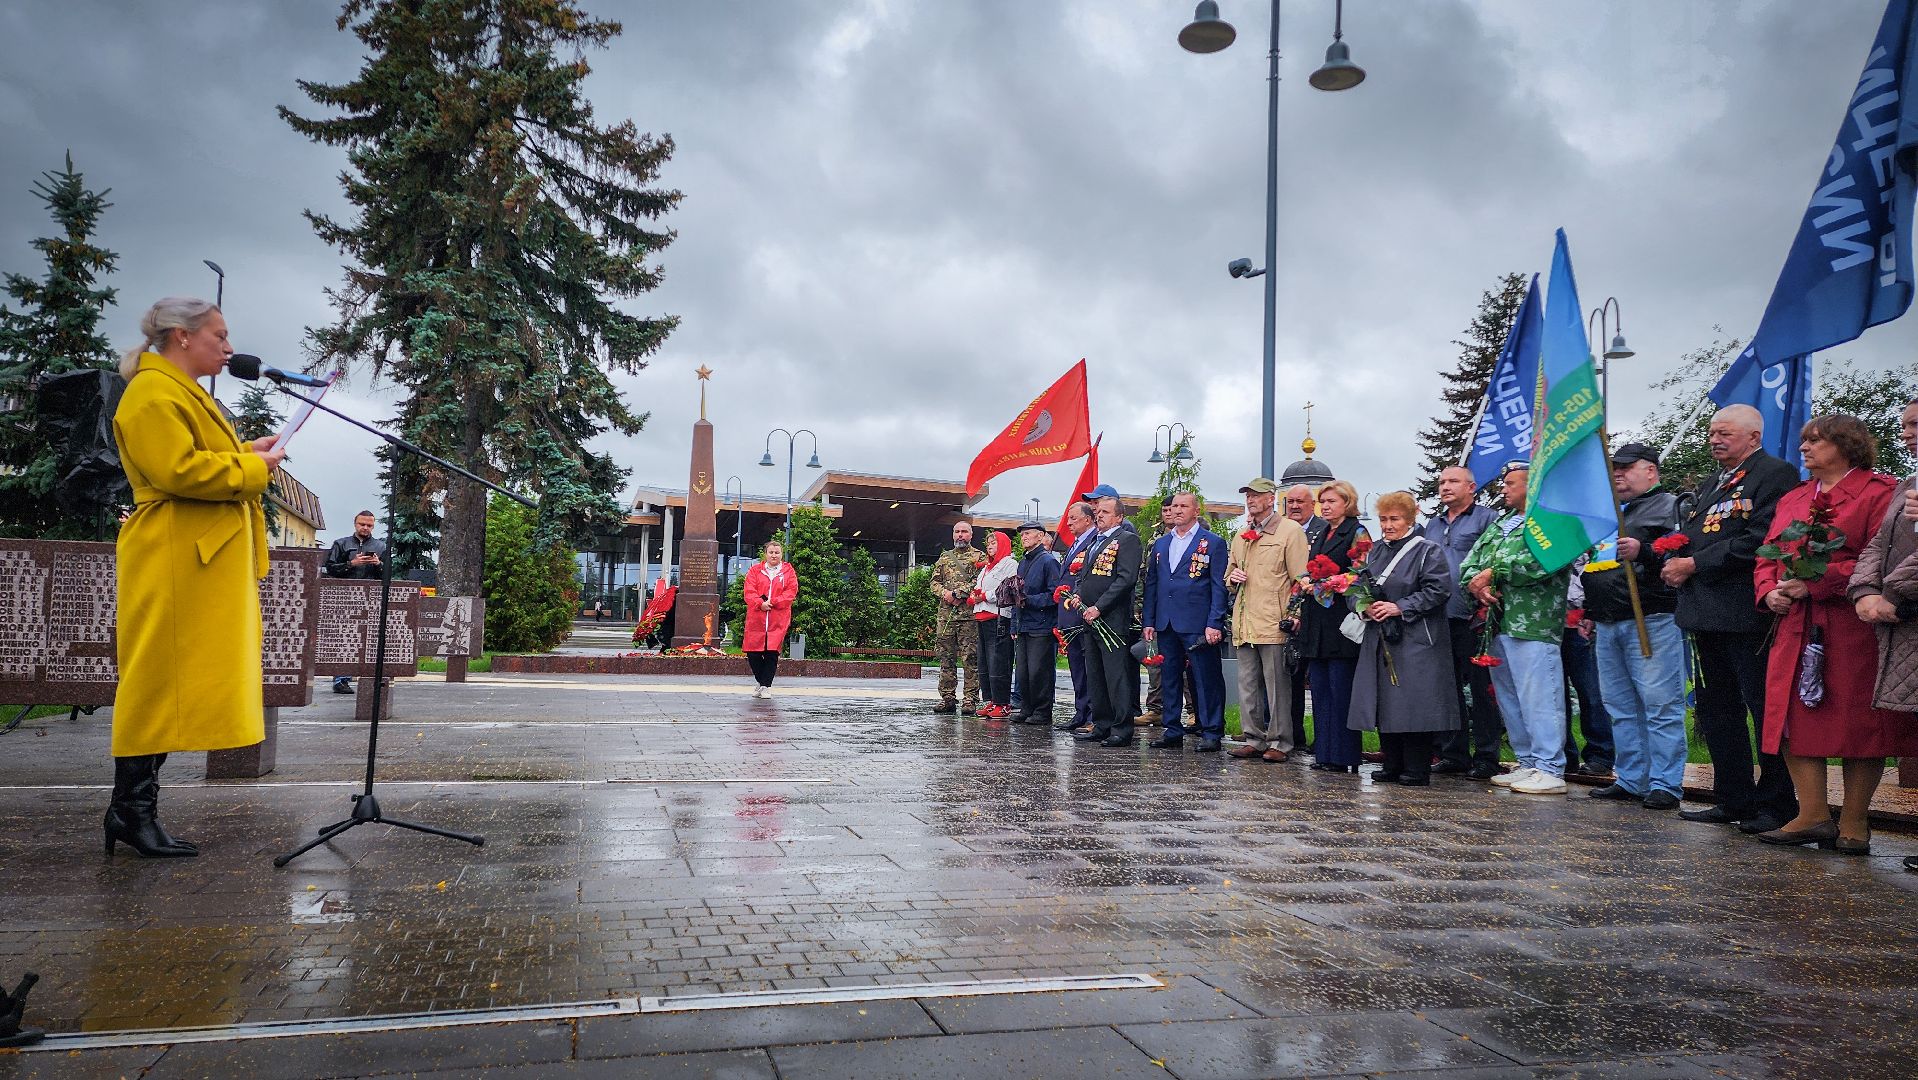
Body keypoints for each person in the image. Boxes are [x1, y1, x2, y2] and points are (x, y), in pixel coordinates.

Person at [107, 297, 286, 858]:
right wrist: (250, 468)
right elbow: (176, 470)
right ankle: (131, 812)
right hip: (172, 554)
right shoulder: (152, 392)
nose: (230, 348)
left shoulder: (176, 392)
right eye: (220, 335)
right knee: (154, 680)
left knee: (169, 680)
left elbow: (196, 458)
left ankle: (133, 809)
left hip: (192, 556)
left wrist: (244, 452)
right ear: (182, 336)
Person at [1755, 414, 1909, 853]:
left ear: (1847, 445)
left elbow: (1883, 558)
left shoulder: (1880, 492)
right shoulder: (1795, 497)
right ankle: (1813, 814)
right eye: (1804, 441)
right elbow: (1767, 555)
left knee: (1860, 723)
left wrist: (1820, 581)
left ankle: (1855, 822)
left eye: (1816, 441)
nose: (1804, 449)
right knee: (1794, 718)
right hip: (1795, 624)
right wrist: (1769, 592)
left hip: (1851, 625)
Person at [1664, 405, 1803, 833]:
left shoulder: (1774, 474)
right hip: (1704, 613)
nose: (1714, 439)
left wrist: (1695, 564)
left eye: (1724, 433)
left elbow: (1759, 538)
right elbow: (1700, 533)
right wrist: (1674, 557)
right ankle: (1733, 797)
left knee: (1762, 709)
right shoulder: (1712, 482)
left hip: (1746, 612)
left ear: (1753, 437)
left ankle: (1776, 802)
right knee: (1717, 708)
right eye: (1711, 433)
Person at [1582, 444, 1687, 810]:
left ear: (1651, 471)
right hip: (1609, 620)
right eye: (1615, 469)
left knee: (1660, 704)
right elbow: (1597, 565)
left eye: (1627, 468)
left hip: (1652, 617)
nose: (1618, 474)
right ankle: (1631, 778)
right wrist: (1589, 610)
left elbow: (1683, 553)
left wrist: (1644, 550)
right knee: (1621, 705)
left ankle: (1665, 783)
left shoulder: (1670, 505)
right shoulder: (1610, 513)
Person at [1461, 461, 1573, 795]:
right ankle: (1527, 763)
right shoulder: (1502, 523)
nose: (1504, 489)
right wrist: (1476, 583)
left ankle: (1550, 767)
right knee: (1509, 696)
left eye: (1511, 483)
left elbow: (1542, 563)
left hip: (1534, 622)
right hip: (1497, 622)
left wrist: (1493, 573)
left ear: (1532, 486)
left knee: (1539, 695)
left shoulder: (1552, 522)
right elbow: (1470, 563)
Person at [1347, 491, 1458, 786]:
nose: (1387, 525)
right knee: (1387, 702)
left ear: (1410, 519)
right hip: (1380, 635)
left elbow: (1438, 590)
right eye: (1383, 519)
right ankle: (1392, 762)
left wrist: (1401, 607)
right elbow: (1356, 586)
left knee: (1414, 703)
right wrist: (1364, 606)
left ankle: (1417, 767)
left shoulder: (1427, 551)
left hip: (1416, 639)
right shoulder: (1375, 551)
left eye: (1394, 519)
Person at [1421, 466, 1501, 778]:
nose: (1445, 487)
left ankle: (1486, 756)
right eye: (1441, 482)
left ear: (1472, 487)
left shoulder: (1486, 520)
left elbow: (1495, 560)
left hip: (1474, 618)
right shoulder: (1433, 524)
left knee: (1482, 690)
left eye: (1453, 481)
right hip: (1439, 617)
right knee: (1447, 689)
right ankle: (1453, 753)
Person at [1226, 477, 1310, 762]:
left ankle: (1280, 742)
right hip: (1245, 621)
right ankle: (1253, 738)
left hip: (1274, 620)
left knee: (1277, 687)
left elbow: (1301, 578)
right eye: (1248, 495)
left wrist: (1294, 614)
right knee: (1247, 685)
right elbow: (1229, 575)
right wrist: (1232, 577)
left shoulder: (1290, 531)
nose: (1250, 500)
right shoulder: (1241, 535)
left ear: (1271, 498)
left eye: (1256, 495)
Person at [1142, 492, 1230, 751]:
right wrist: (1149, 620)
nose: (1178, 510)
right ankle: (1172, 729)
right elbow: (1153, 585)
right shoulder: (1161, 544)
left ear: (1196, 510)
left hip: (1197, 622)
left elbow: (1218, 586)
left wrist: (1215, 622)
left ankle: (1211, 730)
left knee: (1206, 678)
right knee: (1169, 676)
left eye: (1184, 506)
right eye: (1175, 506)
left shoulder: (1212, 543)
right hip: (1166, 621)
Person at [1296, 480, 1368, 773]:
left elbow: (1361, 572)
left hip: (1341, 620)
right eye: (1322, 501)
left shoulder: (1357, 531)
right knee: (1321, 690)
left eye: (1331, 501)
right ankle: (1324, 752)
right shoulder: (1322, 533)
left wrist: (1327, 583)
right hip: (1317, 620)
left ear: (1347, 503)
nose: (1325, 506)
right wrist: (1305, 580)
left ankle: (1344, 754)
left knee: (1341, 690)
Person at [1068, 494, 1143, 747]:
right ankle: (1102, 724)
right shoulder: (1094, 543)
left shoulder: (1127, 540)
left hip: (1112, 619)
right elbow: (1084, 577)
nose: (1099, 515)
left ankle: (1122, 728)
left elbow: (1125, 579)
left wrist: (1099, 607)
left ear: (1119, 517)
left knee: (1116, 675)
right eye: (1098, 511)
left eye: (1106, 512)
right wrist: (1078, 595)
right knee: (1096, 675)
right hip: (1089, 619)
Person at [1283, 484, 1327, 753]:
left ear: (1313, 504)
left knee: (1318, 682)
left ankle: (1322, 739)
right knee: (1291, 679)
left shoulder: (1322, 530)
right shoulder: (1284, 530)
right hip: (1289, 613)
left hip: (1318, 613)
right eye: (1291, 502)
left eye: (1301, 501)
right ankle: (1293, 734)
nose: (1295, 506)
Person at [323, 509, 386, 694]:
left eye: (369, 525)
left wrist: (379, 565)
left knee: (369, 639)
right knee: (344, 639)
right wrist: (351, 564)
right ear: (355, 524)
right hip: (345, 596)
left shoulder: (380, 547)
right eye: (362, 524)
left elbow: (389, 573)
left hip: (370, 596)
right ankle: (341, 679)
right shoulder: (341, 544)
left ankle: (370, 677)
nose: (365, 528)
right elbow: (330, 568)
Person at [929, 521, 984, 714]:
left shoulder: (980, 557)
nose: (960, 535)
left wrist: (959, 593)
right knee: (946, 658)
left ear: (971, 535)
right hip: (946, 617)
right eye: (957, 532)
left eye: (964, 532)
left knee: (970, 659)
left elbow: (981, 580)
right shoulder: (944, 558)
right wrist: (944, 593)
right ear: (953, 535)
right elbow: (934, 582)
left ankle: (970, 699)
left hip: (968, 617)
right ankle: (947, 697)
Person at [1054, 502, 1100, 732]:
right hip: (1069, 615)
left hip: (1084, 614)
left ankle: (1093, 714)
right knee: (1077, 667)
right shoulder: (1074, 545)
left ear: (1089, 519)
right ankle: (1081, 711)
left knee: (1089, 666)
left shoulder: (1095, 542)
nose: (1069, 523)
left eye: (1073, 518)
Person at [1011, 521, 1062, 726]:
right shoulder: (1023, 562)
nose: (1024, 537)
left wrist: (1029, 601)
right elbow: (1017, 595)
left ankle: (1042, 710)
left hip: (1041, 624)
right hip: (1024, 624)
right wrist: (1015, 624)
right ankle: (1027, 707)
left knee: (1039, 670)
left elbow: (1056, 595)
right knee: (1023, 671)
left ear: (1041, 536)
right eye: (1022, 534)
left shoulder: (1048, 562)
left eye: (1028, 533)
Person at [742, 540, 798, 697]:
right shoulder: (754, 571)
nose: (774, 555)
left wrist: (772, 603)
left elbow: (790, 592)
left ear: (781, 554)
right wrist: (760, 604)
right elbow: (749, 591)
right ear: (765, 554)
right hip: (757, 618)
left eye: (777, 552)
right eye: (771, 552)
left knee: (771, 653)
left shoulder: (788, 572)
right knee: (752, 653)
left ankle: (766, 686)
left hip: (777, 619)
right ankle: (761, 682)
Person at [971, 531, 1018, 719]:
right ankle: (991, 700)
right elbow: (980, 586)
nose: (990, 546)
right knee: (985, 662)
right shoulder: (987, 567)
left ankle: (1003, 702)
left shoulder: (1009, 563)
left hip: (998, 617)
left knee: (998, 660)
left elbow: (1007, 588)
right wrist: (974, 595)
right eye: (988, 543)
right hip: (981, 616)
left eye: (994, 543)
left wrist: (985, 596)